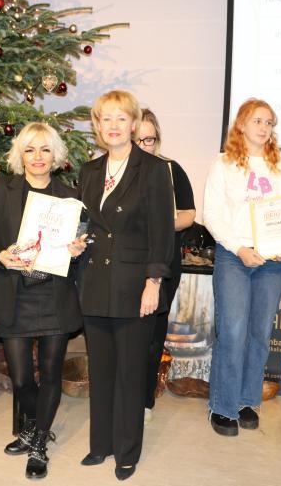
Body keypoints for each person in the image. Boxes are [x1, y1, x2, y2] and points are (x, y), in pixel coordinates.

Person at [0, 122, 87, 479]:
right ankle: (37, 428)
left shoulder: (70, 197)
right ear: (20, 155)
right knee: (21, 379)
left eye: (45, 149)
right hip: (14, 293)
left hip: (54, 295)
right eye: (30, 150)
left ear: (56, 155)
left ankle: (37, 442)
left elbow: (81, 244)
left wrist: (77, 250)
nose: (38, 157)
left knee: (51, 374)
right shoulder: (1, 190)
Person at [77, 90, 174, 481]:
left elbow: (162, 233)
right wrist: (75, 243)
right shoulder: (89, 171)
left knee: (130, 374)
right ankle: (101, 444)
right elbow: (85, 224)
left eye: (121, 118)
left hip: (135, 286)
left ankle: (127, 451)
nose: (113, 126)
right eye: (106, 119)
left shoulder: (153, 170)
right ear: (97, 126)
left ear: (134, 124)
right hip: (95, 283)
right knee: (100, 371)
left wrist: (153, 283)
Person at [202, 99, 281, 436]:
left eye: (269, 122)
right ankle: (222, 406)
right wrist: (239, 248)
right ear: (241, 124)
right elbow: (211, 214)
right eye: (257, 121)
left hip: (271, 260)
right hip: (234, 256)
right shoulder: (224, 163)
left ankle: (245, 401)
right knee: (233, 332)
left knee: (259, 333)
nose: (264, 128)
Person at [135, 108, 195, 422]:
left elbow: (189, 214)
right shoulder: (115, 172)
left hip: (164, 261)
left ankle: (144, 400)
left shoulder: (171, 169)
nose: (144, 145)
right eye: (138, 139)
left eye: (149, 139)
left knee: (153, 334)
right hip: (125, 262)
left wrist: (160, 225)